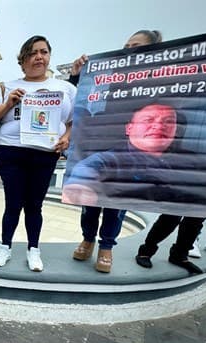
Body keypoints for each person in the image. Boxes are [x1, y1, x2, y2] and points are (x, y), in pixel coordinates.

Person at [67, 30, 163, 273]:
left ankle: (106, 246)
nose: (129, 48)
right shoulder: (111, 71)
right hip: (99, 140)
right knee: (89, 199)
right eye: (127, 44)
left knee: (115, 202)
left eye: (136, 45)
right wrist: (78, 77)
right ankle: (88, 239)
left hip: (130, 149)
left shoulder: (160, 79)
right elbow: (83, 97)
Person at [0, 35, 75, 271]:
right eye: (32, 53)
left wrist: (66, 138)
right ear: (22, 61)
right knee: (12, 203)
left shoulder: (65, 88)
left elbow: (76, 120)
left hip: (45, 154)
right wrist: (8, 104)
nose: (39, 57)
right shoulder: (6, 86)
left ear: (49, 57)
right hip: (12, 151)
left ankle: (34, 250)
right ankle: (4, 247)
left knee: (35, 205)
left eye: (43, 52)